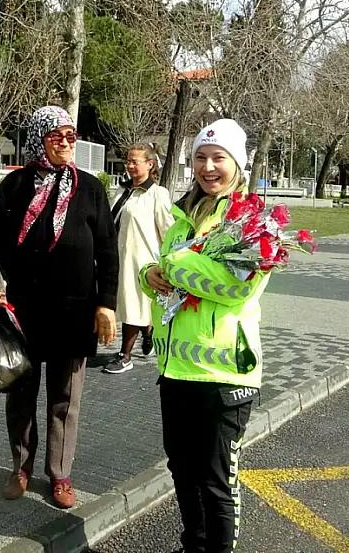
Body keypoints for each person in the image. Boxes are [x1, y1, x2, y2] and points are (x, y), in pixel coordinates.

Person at [0, 106, 119, 510]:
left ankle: (60, 475)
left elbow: (108, 251)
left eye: (71, 135)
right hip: (22, 311)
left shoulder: (89, 189)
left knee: (65, 399)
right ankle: (21, 467)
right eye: (57, 135)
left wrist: (106, 304)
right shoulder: (16, 186)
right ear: (39, 138)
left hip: (74, 313)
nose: (66, 142)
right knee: (20, 393)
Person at [139, 118, 269, 553]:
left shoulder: (251, 221)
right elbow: (160, 268)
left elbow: (236, 286)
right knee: (182, 470)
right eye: (200, 157)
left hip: (225, 375)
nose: (208, 167)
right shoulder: (181, 219)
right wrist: (148, 274)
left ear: (238, 164)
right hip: (176, 369)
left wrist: (173, 267)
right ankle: (192, 545)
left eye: (219, 158)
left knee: (216, 482)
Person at [103, 143, 174, 374]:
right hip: (118, 257)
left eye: (136, 161)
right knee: (128, 304)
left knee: (133, 304)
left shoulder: (157, 194)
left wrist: (168, 262)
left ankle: (125, 355)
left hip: (142, 261)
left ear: (150, 164)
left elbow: (168, 231)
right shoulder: (122, 192)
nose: (130, 166)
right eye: (129, 161)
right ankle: (148, 331)